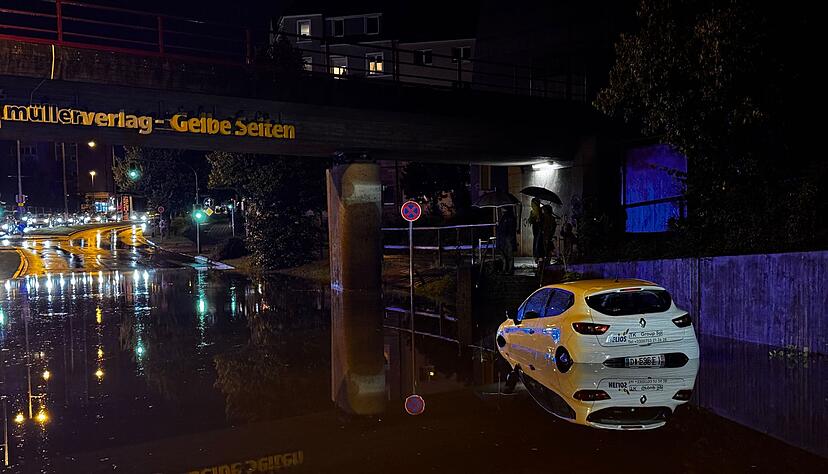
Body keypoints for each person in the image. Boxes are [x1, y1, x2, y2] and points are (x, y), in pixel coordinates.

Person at [496, 206, 518, 274]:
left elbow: (507, 229)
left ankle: (508, 269)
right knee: (506, 255)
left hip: (507, 238)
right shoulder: (507, 217)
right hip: (506, 238)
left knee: (508, 255)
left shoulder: (508, 217)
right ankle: (506, 269)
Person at [527, 198, 543, 265]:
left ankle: (540, 258)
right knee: (536, 241)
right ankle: (537, 258)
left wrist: (539, 219)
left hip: (541, 230)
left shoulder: (541, 211)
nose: (532, 205)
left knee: (538, 243)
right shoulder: (532, 212)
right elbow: (530, 221)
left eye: (533, 204)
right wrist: (533, 218)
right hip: (535, 229)